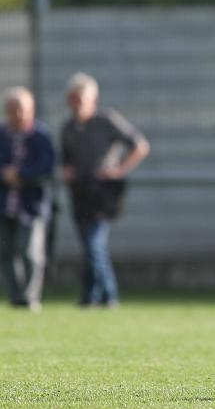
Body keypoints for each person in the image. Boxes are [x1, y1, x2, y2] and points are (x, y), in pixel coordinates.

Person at [61, 73, 150, 308]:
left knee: (94, 244)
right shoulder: (68, 127)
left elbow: (140, 145)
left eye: (80, 98)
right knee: (90, 247)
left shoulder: (107, 120)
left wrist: (119, 169)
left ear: (93, 99)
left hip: (104, 192)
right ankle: (90, 296)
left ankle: (108, 295)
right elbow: (65, 160)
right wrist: (67, 171)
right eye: (72, 98)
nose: (76, 104)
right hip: (79, 192)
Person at [0, 88, 55, 311]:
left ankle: (30, 296)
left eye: (21, 109)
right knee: (6, 252)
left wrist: (21, 174)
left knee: (29, 252)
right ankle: (15, 296)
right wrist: (5, 174)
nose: (17, 114)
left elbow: (47, 167)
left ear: (30, 110)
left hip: (32, 205)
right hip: (5, 204)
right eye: (12, 109)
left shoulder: (40, 136)